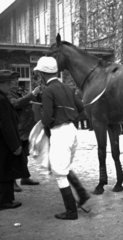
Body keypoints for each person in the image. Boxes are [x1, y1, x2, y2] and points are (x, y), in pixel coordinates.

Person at [33, 56, 90, 220]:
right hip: (72, 131)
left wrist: (49, 123)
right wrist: (68, 115)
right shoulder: (67, 88)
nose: (38, 77)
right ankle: (82, 194)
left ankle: (71, 211)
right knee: (64, 166)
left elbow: (47, 119)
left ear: (43, 74)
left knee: (59, 173)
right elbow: (81, 108)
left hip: (59, 132)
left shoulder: (48, 91)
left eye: (39, 74)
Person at [0, 70, 30, 210]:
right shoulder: (2, 100)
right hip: (5, 143)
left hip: (4, 141)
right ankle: (5, 201)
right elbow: (6, 125)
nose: (10, 85)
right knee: (6, 171)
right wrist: (15, 146)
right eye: (7, 83)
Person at [7, 73, 41, 192]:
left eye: (16, 79)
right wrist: (32, 94)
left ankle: (25, 177)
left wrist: (37, 94)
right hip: (17, 128)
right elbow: (15, 104)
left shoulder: (21, 90)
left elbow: (32, 100)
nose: (15, 82)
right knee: (15, 156)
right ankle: (13, 181)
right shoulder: (7, 93)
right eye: (12, 80)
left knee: (25, 154)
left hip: (26, 127)